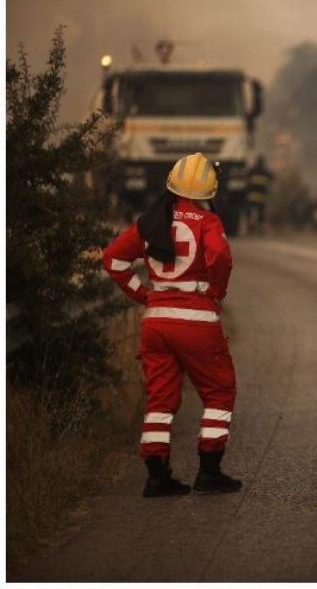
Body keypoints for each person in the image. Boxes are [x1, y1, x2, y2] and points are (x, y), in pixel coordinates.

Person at [102, 152, 242, 497]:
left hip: (156, 321)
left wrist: (144, 295)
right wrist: (216, 290)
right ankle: (209, 471)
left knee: (160, 400)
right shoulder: (208, 221)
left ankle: (156, 475)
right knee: (220, 391)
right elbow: (221, 257)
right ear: (209, 190)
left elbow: (113, 259)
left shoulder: (151, 221)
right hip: (196, 320)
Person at [246, 155, 273, 234]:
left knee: (250, 212)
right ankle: (259, 227)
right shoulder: (265, 172)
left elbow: (247, 176)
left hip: (252, 196)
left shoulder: (252, 170)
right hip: (261, 197)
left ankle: (250, 226)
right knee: (261, 212)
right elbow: (272, 177)